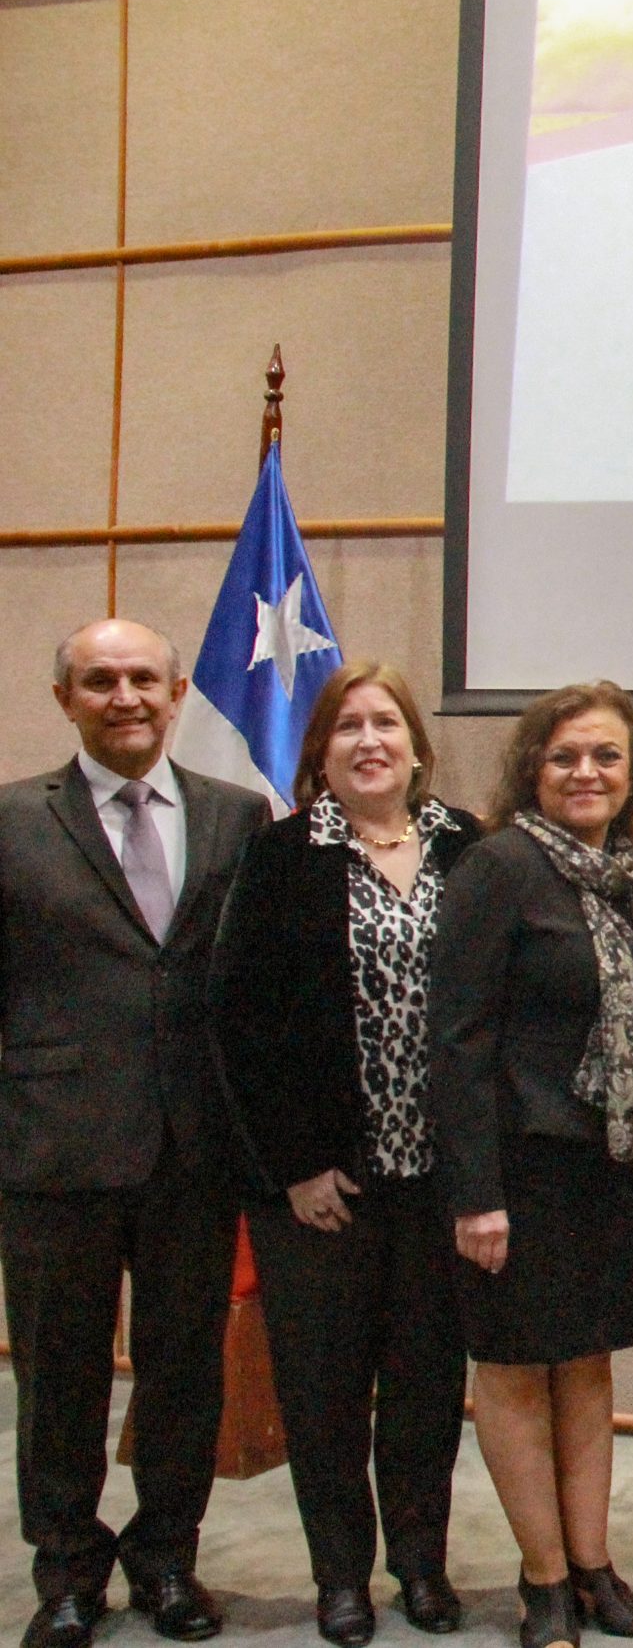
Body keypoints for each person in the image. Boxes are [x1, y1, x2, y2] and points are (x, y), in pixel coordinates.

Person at [0, 621, 267, 1648]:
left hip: (193, 1151)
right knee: (58, 1379)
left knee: (183, 1375)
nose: (125, 697)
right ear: (64, 698)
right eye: (100, 681)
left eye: (143, 679)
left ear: (177, 691)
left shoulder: (237, 815)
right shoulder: (14, 820)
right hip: (53, 1150)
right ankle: (67, 1572)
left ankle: (167, 1560)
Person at [212, 664, 479, 1647]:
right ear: (320, 752)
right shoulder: (283, 855)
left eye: (386, 723)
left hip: (438, 1184)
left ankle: (421, 1564)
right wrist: (296, 1163)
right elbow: (240, 1020)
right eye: (348, 726)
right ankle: (340, 1576)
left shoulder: (466, 846)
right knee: (323, 1395)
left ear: (415, 744)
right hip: (323, 1187)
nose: (370, 740)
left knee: (425, 1389)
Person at [428, 682, 633, 1648]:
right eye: (566, 756)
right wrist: (475, 1195)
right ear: (533, 769)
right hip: (515, 1173)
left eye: (606, 756)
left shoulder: (627, 873)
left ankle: (592, 1563)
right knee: (510, 1371)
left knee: (585, 1368)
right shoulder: (498, 867)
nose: (587, 772)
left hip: (604, 1168)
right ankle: (541, 1578)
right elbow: (455, 1039)